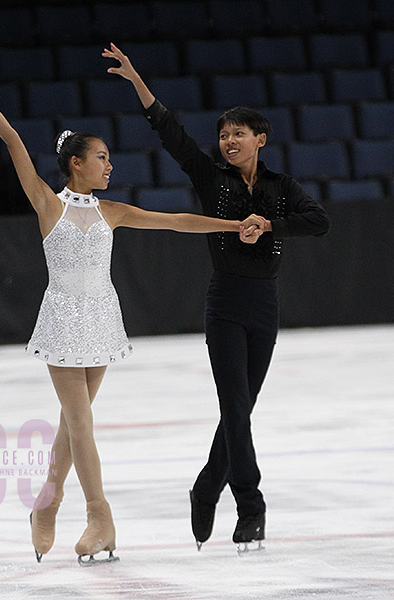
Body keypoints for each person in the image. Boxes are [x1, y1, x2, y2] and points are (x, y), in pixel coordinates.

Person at [0, 57, 267, 565]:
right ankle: (100, 518)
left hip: (100, 320)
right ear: (77, 163)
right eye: (102, 158)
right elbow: (12, 141)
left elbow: (176, 221)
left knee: (74, 426)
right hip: (63, 319)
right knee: (81, 424)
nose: (110, 165)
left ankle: (46, 505)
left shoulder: (111, 211)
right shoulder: (48, 204)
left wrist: (231, 227)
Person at [102, 43, 331, 553]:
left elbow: (320, 221)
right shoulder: (211, 177)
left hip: (265, 304)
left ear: (260, 140)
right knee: (235, 407)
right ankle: (250, 507)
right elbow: (169, 131)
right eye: (224, 134)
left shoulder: (281, 186)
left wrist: (271, 224)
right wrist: (137, 78)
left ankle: (206, 486)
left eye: (238, 134)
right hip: (225, 302)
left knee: (240, 409)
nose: (228, 141)